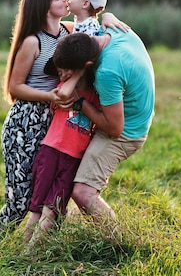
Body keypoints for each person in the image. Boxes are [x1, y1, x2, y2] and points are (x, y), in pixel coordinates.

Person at [0, 0, 126, 236]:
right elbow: (15, 87)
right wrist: (50, 96)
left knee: (47, 187)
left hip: (54, 120)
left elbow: (91, 31)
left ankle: (46, 245)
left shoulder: (67, 32)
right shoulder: (33, 42)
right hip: (26, 121)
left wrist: (106, 15)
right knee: (21, 198)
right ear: (43, 8)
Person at [22, 0, 107, 243]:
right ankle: (25, 249)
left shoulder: (89, 34)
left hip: (68, 143)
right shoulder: (77, 28)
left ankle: (29, 250)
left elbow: (97, 45)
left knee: (46, 205)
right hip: (58, 143)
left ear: (85, 2)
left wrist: (107, 27)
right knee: (40, 204)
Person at [52, 29, 155, 234]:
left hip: (127, 134)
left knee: (83, 192)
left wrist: (81, 104)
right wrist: (108, 15)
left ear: (87, 66)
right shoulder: (115, 33)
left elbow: (115, 129)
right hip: (140, 117)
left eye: (70, 72)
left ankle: (117, 242)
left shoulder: (107, 73)